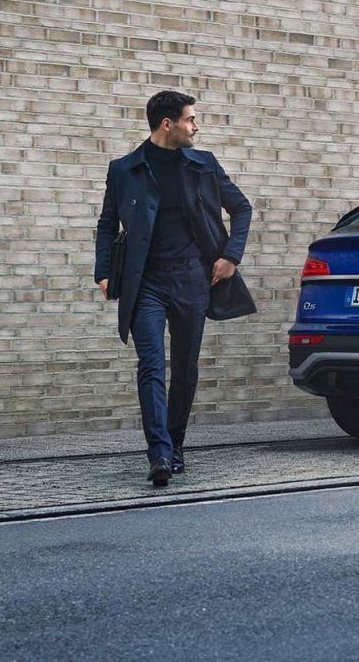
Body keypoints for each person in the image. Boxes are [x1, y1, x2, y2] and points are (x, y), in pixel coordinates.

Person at [94, 90, 255, 486]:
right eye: (190, 119)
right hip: (145, 283)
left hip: (192, 279)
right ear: (168, 124)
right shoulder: (124, 169)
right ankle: (159, 453)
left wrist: (231, 257)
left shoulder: (204, 165)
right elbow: (107, 223)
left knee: (184, 368)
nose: (196, 126)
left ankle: (175, 445)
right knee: (151, 364)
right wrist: (103, 272)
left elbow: (241, 208)